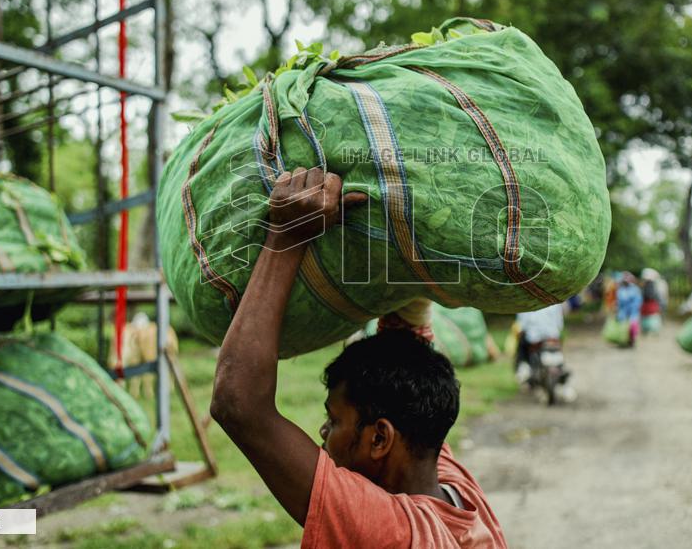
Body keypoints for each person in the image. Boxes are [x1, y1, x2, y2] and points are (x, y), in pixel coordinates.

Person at [210, 167, 508, 548]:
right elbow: (407, 328)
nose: (323, 433)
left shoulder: (393, 533)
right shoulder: (456, 490)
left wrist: (287, 235)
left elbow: (237, 402)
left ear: (380, 437)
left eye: (334, 421)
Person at [514, 304, 569, 386]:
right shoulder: (555, 302)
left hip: (534, 338)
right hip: (552, 336)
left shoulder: (526, 304)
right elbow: (560, 324)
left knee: (522, 345)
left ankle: (523, 368)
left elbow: (522, 325)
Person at [616, 272, 642, 346]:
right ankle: (623, 341)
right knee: (623, 327)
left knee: (632, 328)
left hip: (633, 312)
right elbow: (619, 301)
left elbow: (638, 301)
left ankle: (632, 341)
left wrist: (632, 308)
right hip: (623, 312)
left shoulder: (635, 289)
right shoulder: (621, 289)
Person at [639, 268, 663, 334]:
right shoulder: (651, 285)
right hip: (648, 306)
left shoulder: (652, 286)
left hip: (650, 306)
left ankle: (648, 330)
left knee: (650, 318)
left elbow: (653, 296)